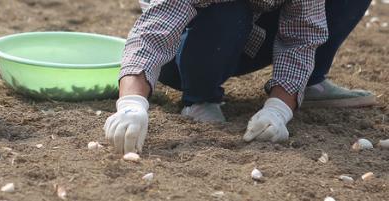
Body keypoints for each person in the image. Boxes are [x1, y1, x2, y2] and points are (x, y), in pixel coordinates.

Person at [104, 0, 374, 154]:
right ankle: (200, 97)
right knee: (230, 11)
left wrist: (279, 108)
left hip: (249, 33)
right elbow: (153, 36)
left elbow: (301, 36)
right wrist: (131, 104)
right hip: (182, 50)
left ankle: (307, 84)